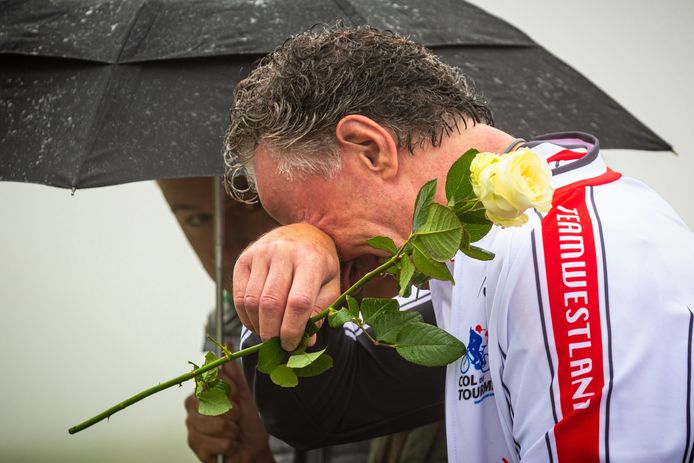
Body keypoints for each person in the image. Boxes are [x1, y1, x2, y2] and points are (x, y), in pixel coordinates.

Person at [225, 24, 694, 462]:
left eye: (307, 217)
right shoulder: (482, 248)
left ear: (370, 148)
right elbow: (324, 409)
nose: (343, 270)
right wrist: (295, 256)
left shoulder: (566, 248)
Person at [158, 177, 447, 462]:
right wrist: (254, 457)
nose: (231, 244)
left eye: (252, 205)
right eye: (197, 219)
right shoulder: (227, 328)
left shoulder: (407, 294)